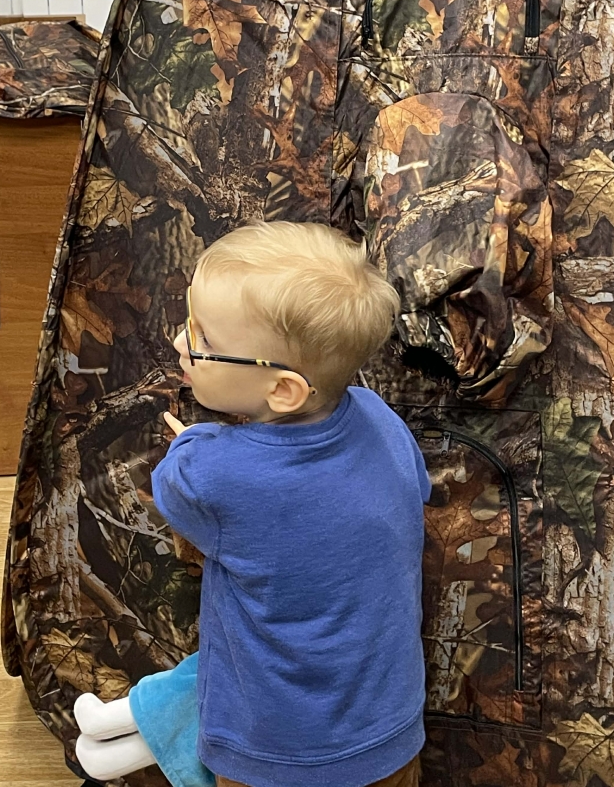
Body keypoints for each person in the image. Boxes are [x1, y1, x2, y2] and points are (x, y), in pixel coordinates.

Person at [75, 220, 430, 787]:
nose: (180, 343)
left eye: (204, 340)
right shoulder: (381, 417)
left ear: (283, 390)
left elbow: (173, 490)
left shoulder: (211, 472)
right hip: (391, 733)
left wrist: (193, 442)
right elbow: (415, 489)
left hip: (271, 752)